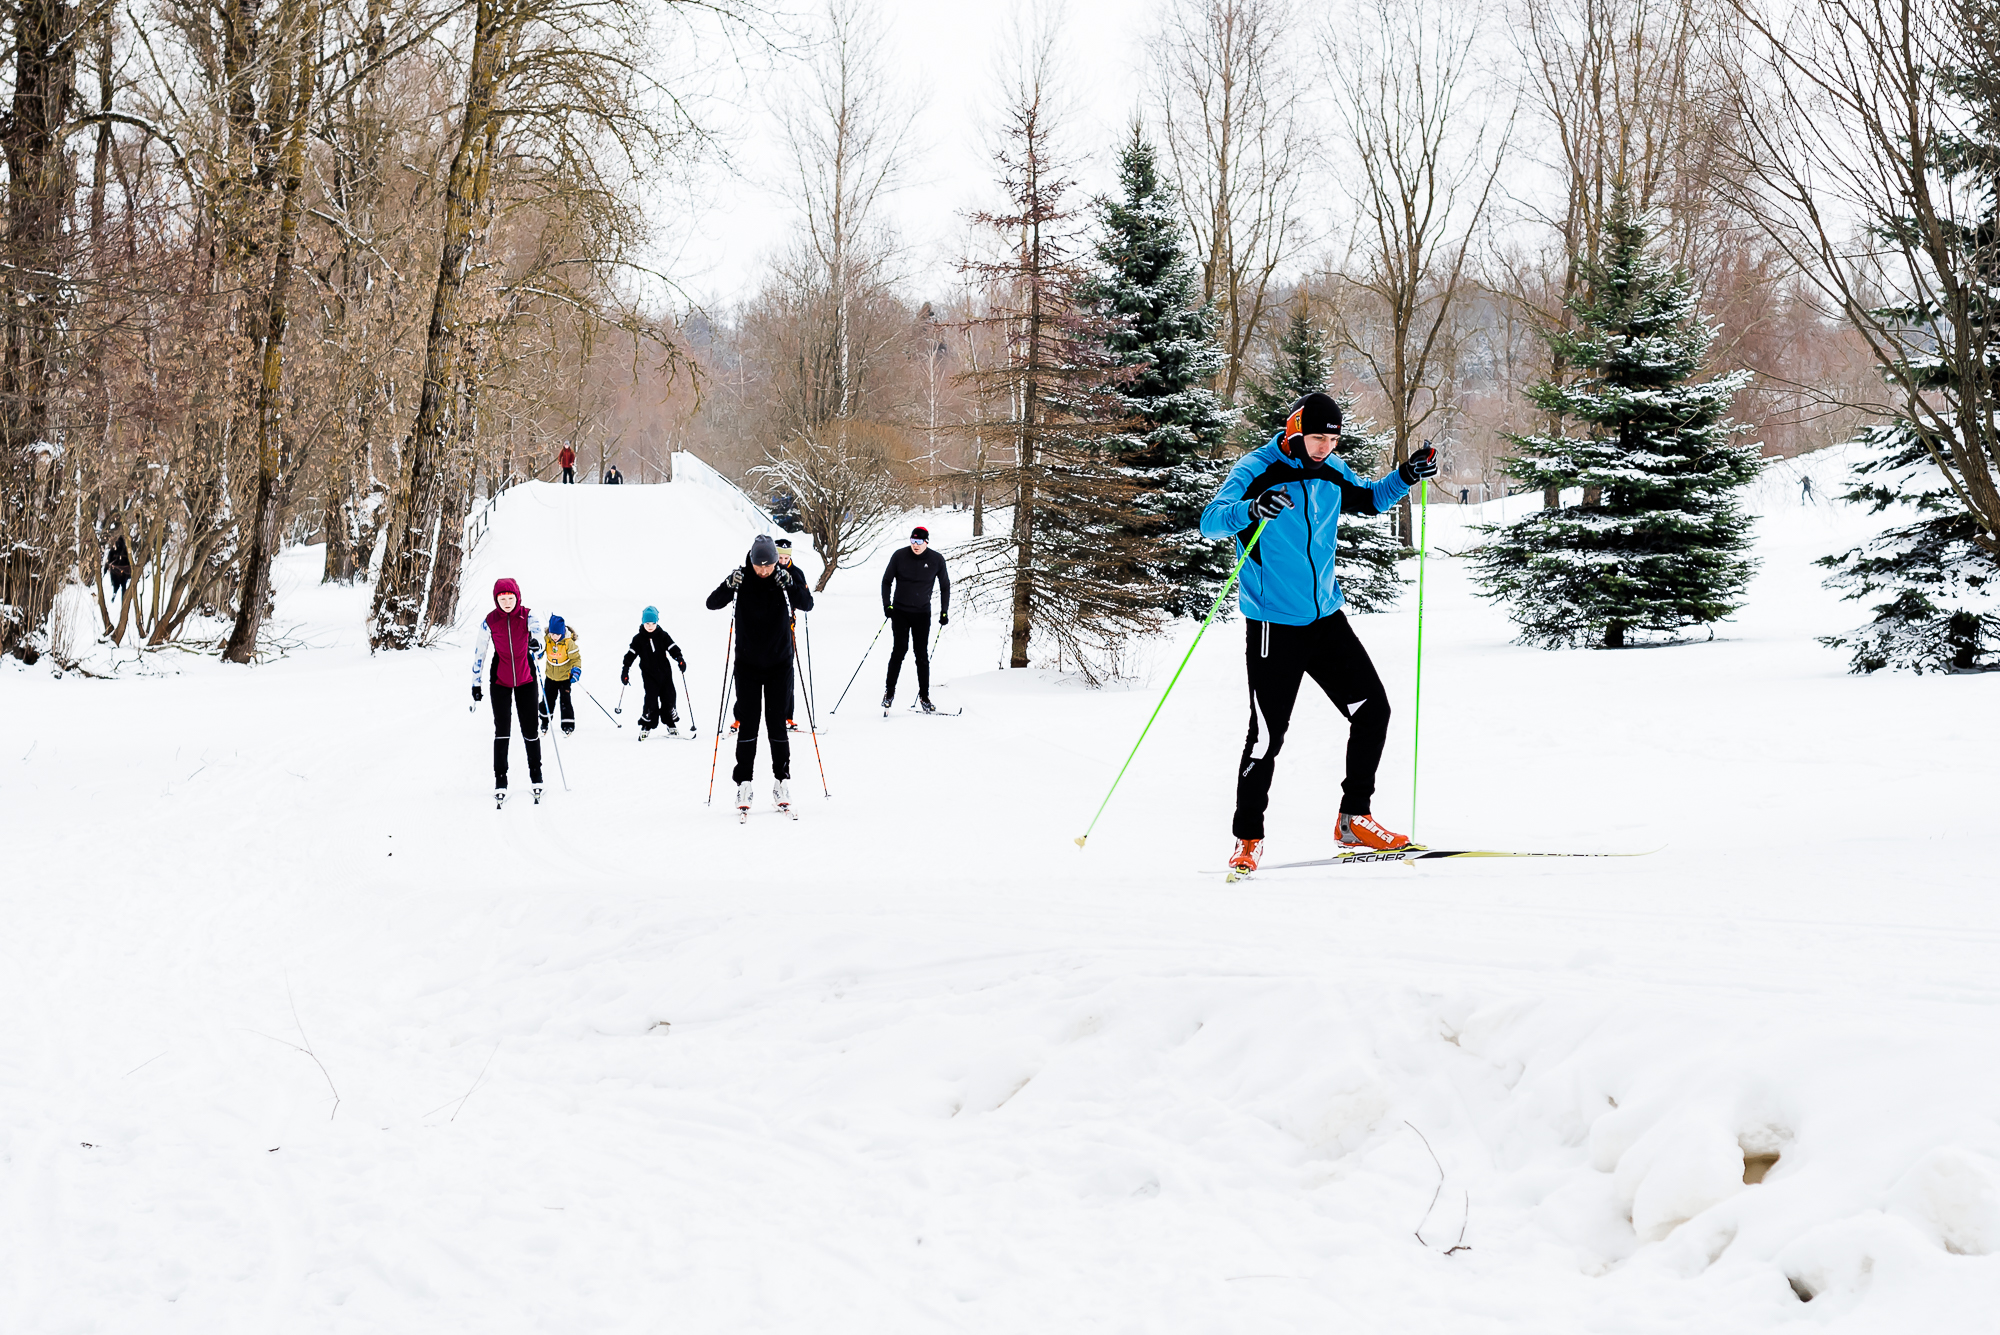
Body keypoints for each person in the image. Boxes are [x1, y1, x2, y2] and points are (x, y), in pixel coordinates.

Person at [1198, 391, 1438, 874]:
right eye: (1316, 437)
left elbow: (1369, 499)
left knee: (1373, 709)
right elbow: (1210, 522)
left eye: (1332, 438)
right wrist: (1252, 508)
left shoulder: (1332, 469)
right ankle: (1248, 838)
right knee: (1267, 736)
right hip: (1274, 624)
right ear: (1295, 431)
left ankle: (1354, 819)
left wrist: (1407, 475)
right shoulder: (1259, 469)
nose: (1324, 446)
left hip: (1326, 618)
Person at [707, 533, 814, 812]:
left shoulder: (782, 578)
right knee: (749, 725)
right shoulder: (742, 579)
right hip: (748, 666)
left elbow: (807, 604)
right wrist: (728, 584)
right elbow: (712, 602)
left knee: (777, 725)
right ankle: (744, 784)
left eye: (768, 566)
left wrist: (791, 585)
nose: (764, 570)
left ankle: (781, 780)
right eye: (760, 565)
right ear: (752, 560)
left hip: (779, 665)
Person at [470, 577, 545, 805]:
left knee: (530, 728)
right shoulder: (490, 621)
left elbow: (540, 639)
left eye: (510, 598)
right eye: (502, 599)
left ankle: (536, 776)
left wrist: (537, 645)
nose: (507, 603)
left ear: (517, 597)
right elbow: (480, 652)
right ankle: (500, 779)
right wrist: (476, 682)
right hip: (500, 681)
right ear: (496, 600)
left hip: (526, 678)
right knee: (502, 730)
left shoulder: (528, 615)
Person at [880, 525, 950, 712]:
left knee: (921, 655)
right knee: (899, 650)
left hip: (922, 613)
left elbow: (945, 586)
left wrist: (944, 611)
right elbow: (886, 581)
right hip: (900, 612)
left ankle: (925, 697)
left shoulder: (936, 560)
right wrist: (887, 605)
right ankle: (889, 693)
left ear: (926, 542)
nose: (915, 545)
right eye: (912, 541)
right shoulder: (899, 556)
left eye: (919, 542)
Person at [622, 607, 687, 737]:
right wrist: (625, 670)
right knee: (651, 700)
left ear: (657, 622)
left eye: (653, 623)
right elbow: (630, 655)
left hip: (665, 674)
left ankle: (670, 723)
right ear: (642, 623)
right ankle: (647, 724)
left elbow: (672, 647)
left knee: (669, 697)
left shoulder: (663, 636)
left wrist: (679, 659)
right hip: (649, 675)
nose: (650, 626)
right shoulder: (638, 639)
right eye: (647, 624)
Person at [776, 537, 803, 729]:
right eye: (779, 556)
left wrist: (792, 585)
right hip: (765, 627)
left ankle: (787, 715)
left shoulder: (796, 573)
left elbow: (807, 603)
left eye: (786, 557)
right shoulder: (766, 569)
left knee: (786, 673)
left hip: (787, 630)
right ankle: (742, 716)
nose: (783, 560)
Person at [540, 614, 582, 735]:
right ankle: (544, 722)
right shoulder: (547, 640)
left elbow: (576, 659)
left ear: (563, 632)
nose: (554, 637)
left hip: (565, 677)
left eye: (557, 634)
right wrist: (536, 653)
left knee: (565, 701)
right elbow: (540, 651)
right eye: (552, 634)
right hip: (550, 677)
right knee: (547, 700)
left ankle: (567, 725)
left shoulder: (569, 643)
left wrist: (576, 671)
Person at [105, 533, 131, 598]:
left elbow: (109, 560)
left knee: (116, 584)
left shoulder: (113, 550)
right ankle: (123, 598)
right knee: (123, 586)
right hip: (123, 572)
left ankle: (115, 592)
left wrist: (106, 568)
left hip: (115, 571)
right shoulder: (126, 550)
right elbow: (129, 562)